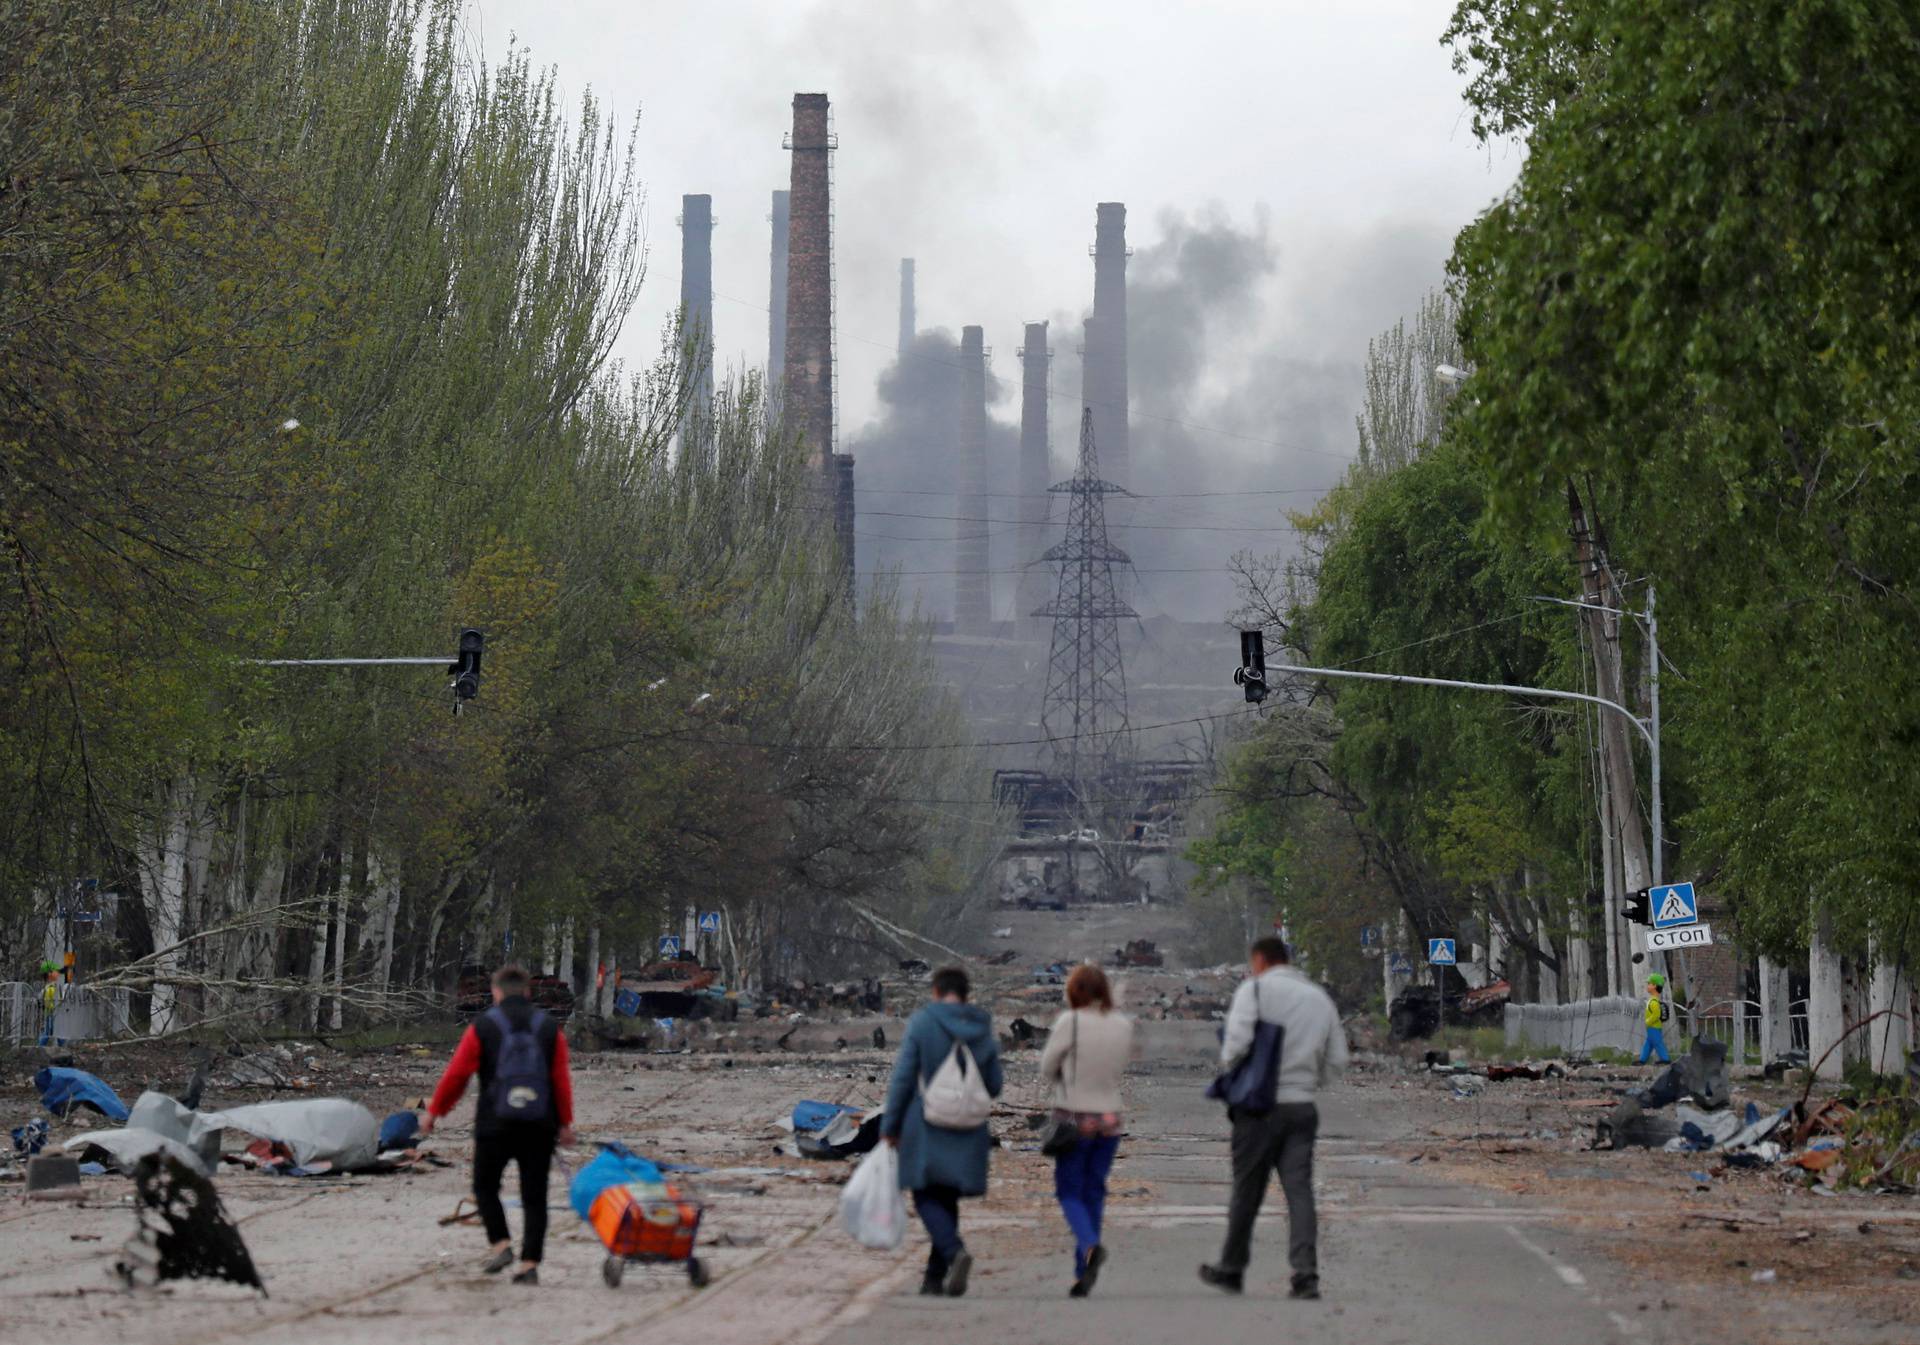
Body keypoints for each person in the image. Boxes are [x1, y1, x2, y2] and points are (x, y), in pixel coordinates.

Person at [1199, 936, 1349, 1301]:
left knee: (1247, 1189)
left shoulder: (1255, 991)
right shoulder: (1318, 998)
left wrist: (1237, 1074)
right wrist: (1308, 1083)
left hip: (1258, 1110)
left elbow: (1234, 1045)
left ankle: (1232, 1269)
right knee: (1298, 1191)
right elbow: (1338, 1059)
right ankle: (1306, 1274)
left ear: (1261, 960)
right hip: (1301, 1108)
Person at [422, 964, 576, 1285]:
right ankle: (529, 1264)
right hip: (540, 1123)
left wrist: (435, 1112)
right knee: (535, 1196)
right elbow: (560, 1080)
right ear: (528, 992)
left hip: (495, 1122)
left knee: (485, 1186)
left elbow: (458, 1075)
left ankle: (502, 1243)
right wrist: (564, 1123)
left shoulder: (483, 1026)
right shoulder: (549, 1028)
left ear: (495, 992)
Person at [880, 965, 1004, 1298]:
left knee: (924, 1194)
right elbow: (994, 1084)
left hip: (927, 1124)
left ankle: (954, 1251)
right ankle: (934, 1279)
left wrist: (890, 1125)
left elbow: (905, 1077)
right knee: (947, 1198)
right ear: (966, 994)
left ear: (936, 991)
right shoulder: (982, 1026)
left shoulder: (924, 1022)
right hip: (970, 1126)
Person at [1038, 963, 1134, 1298]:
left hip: (1075, 1118)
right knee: (1094, 1189)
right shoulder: (1122, 1025)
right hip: (1110, 1117)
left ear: (1075, 990)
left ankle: (1090, 1245)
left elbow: (1048, 1065)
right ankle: (1082, 1269)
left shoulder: (1071, 1021)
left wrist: (1065, 1082)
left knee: (1068, 1190)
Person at [1639, 973, 1672, 1064]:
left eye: (1649, 984)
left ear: (1654, 986)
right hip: (1652, 1027)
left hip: (1654, 1027)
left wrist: (1647, 1021)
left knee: (1657, 1043)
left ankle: (1665, 1059)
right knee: (1648, 1044)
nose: (1648, 986)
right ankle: (1642, 1060)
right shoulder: (1653, 1000)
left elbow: (1656, 1015)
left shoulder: (1653, 1002)